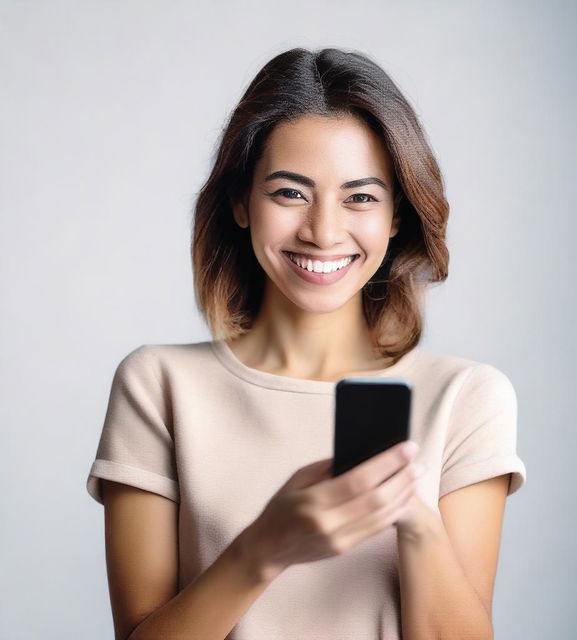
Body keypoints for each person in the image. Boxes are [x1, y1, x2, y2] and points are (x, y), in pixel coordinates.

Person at [86, 47, 527, 640]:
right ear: (242, 203)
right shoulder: (158, 384)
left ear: (397, 216)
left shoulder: (467, 397)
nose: (323, 231)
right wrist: (266, 547)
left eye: (361, 197)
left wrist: (411, 515)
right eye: (290, 193)